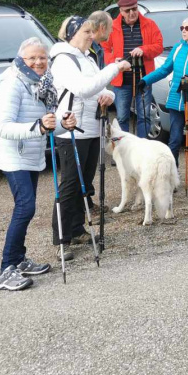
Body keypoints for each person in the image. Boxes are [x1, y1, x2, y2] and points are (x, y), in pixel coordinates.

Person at [0, 37, 77, 291]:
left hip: (31, 152)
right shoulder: (11, 84)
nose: (38, 62)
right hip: (13, 153)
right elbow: (2, 127)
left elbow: (47, 124)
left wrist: (64, 124)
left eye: (42, 57)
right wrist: (38, 127)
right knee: (25, 207)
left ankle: (19, 259)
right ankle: (6, 269)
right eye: (32, 58)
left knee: (26, 207)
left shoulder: (41, 83)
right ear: (21, 59)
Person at [50, 16, 129, 257]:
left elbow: (101, 88)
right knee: (70, 184)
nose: (91, 36)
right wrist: (114, 67)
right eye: (86, 32)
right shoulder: (63, 60)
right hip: (70, 130)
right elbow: (83, 89)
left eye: (91, 32)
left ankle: (76, 229)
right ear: (72, 34)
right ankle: (62, 239)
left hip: (92, 128)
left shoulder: (88, 58)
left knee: (84, 182)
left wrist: (109, 96)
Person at [141, 16, 188, 192]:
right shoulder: (177, 48)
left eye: (187, 28)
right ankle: (172, 175)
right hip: (176, 101)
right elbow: (164, 70)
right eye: (182, 27)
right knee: (174, 139)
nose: (183, 30)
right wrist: (145, 80)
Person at [101, 0, 164, 139]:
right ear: (121, 11)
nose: (131, 13)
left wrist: (144, 49)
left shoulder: (150, 24)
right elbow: (104, 49)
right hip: (121, 80)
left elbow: (159, 46)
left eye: (134, 9)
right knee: (122, 117)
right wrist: (113, 60)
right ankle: (123, 146)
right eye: (127, 10)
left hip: (144, 78)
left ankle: (142, 146)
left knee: (144, 116)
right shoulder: (113, 26)